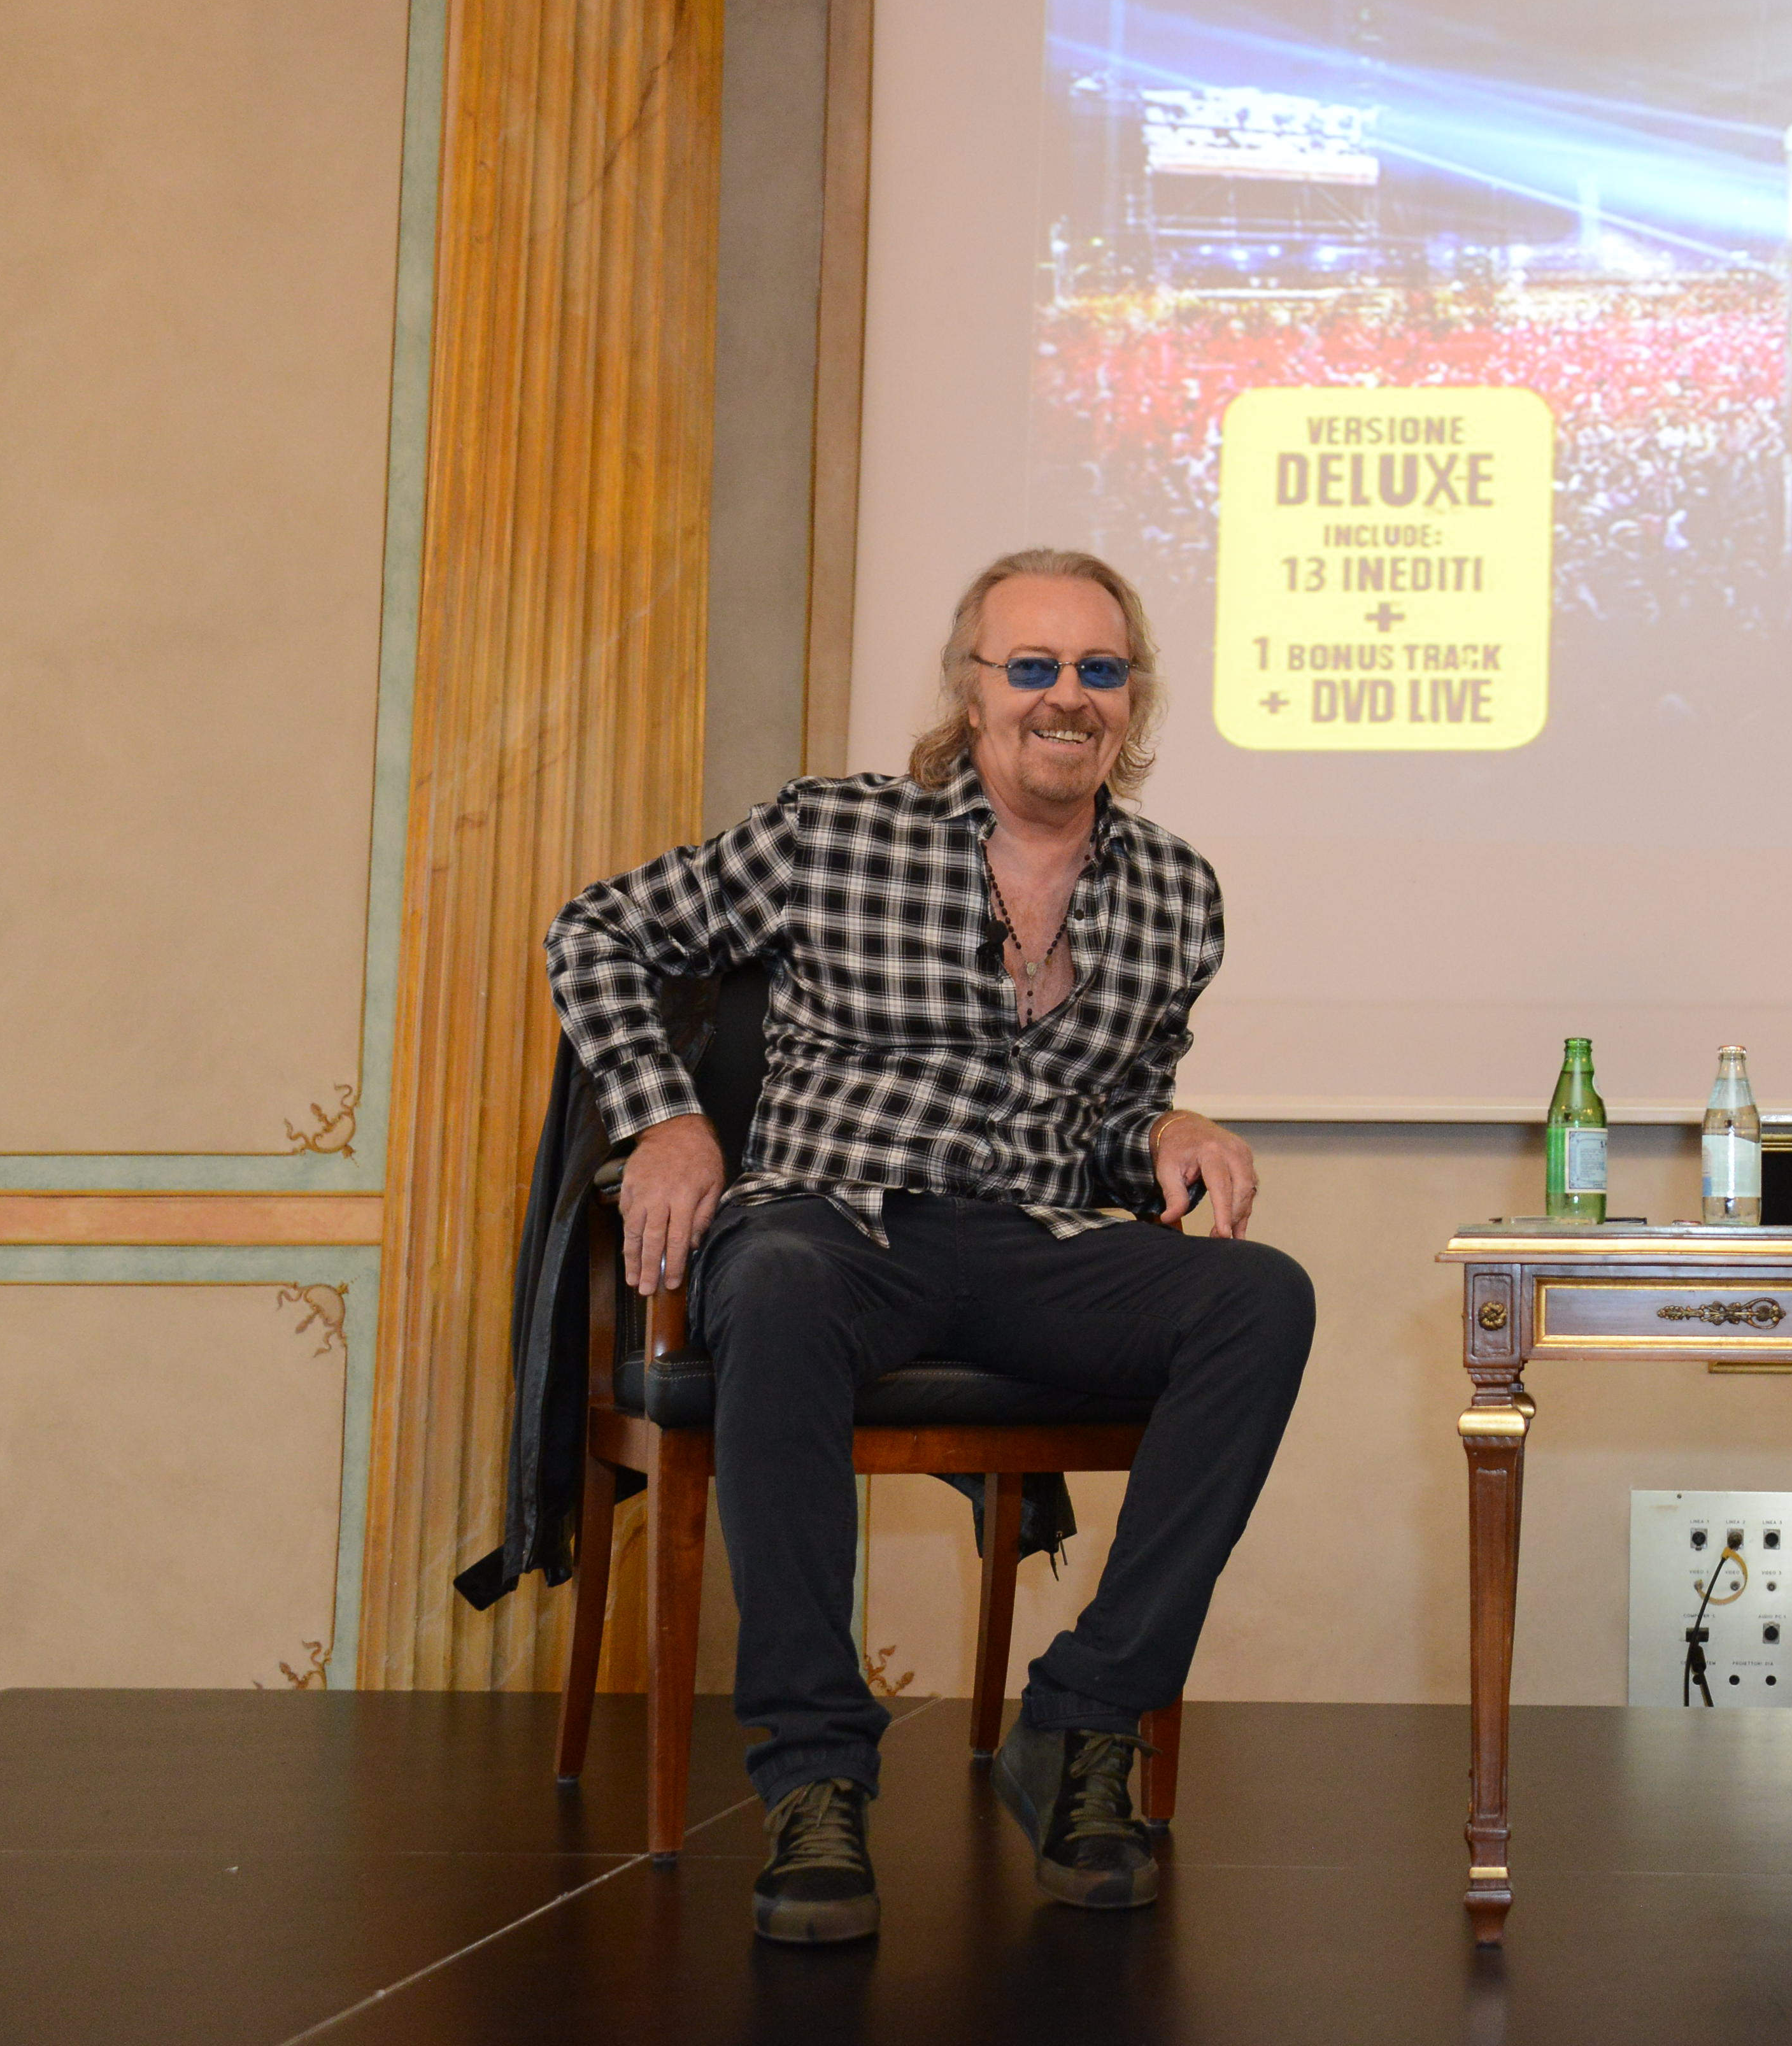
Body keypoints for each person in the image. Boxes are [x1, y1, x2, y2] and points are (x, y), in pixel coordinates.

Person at [546, 548, 1313, 1945]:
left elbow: (1107, 1114)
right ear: (971, 692)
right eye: (1031, 666)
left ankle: (1080, 1726)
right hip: (833, 1221)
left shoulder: (1177, 896)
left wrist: (1165, 1129)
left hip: (1027, 1241)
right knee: (771, 1280)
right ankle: (814, 1776)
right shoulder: (835, 831)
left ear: (1133, 703)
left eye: (1099, 669)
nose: (1065, 697)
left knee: (1259, 1298)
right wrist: (666, 1118)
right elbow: (598, 928)